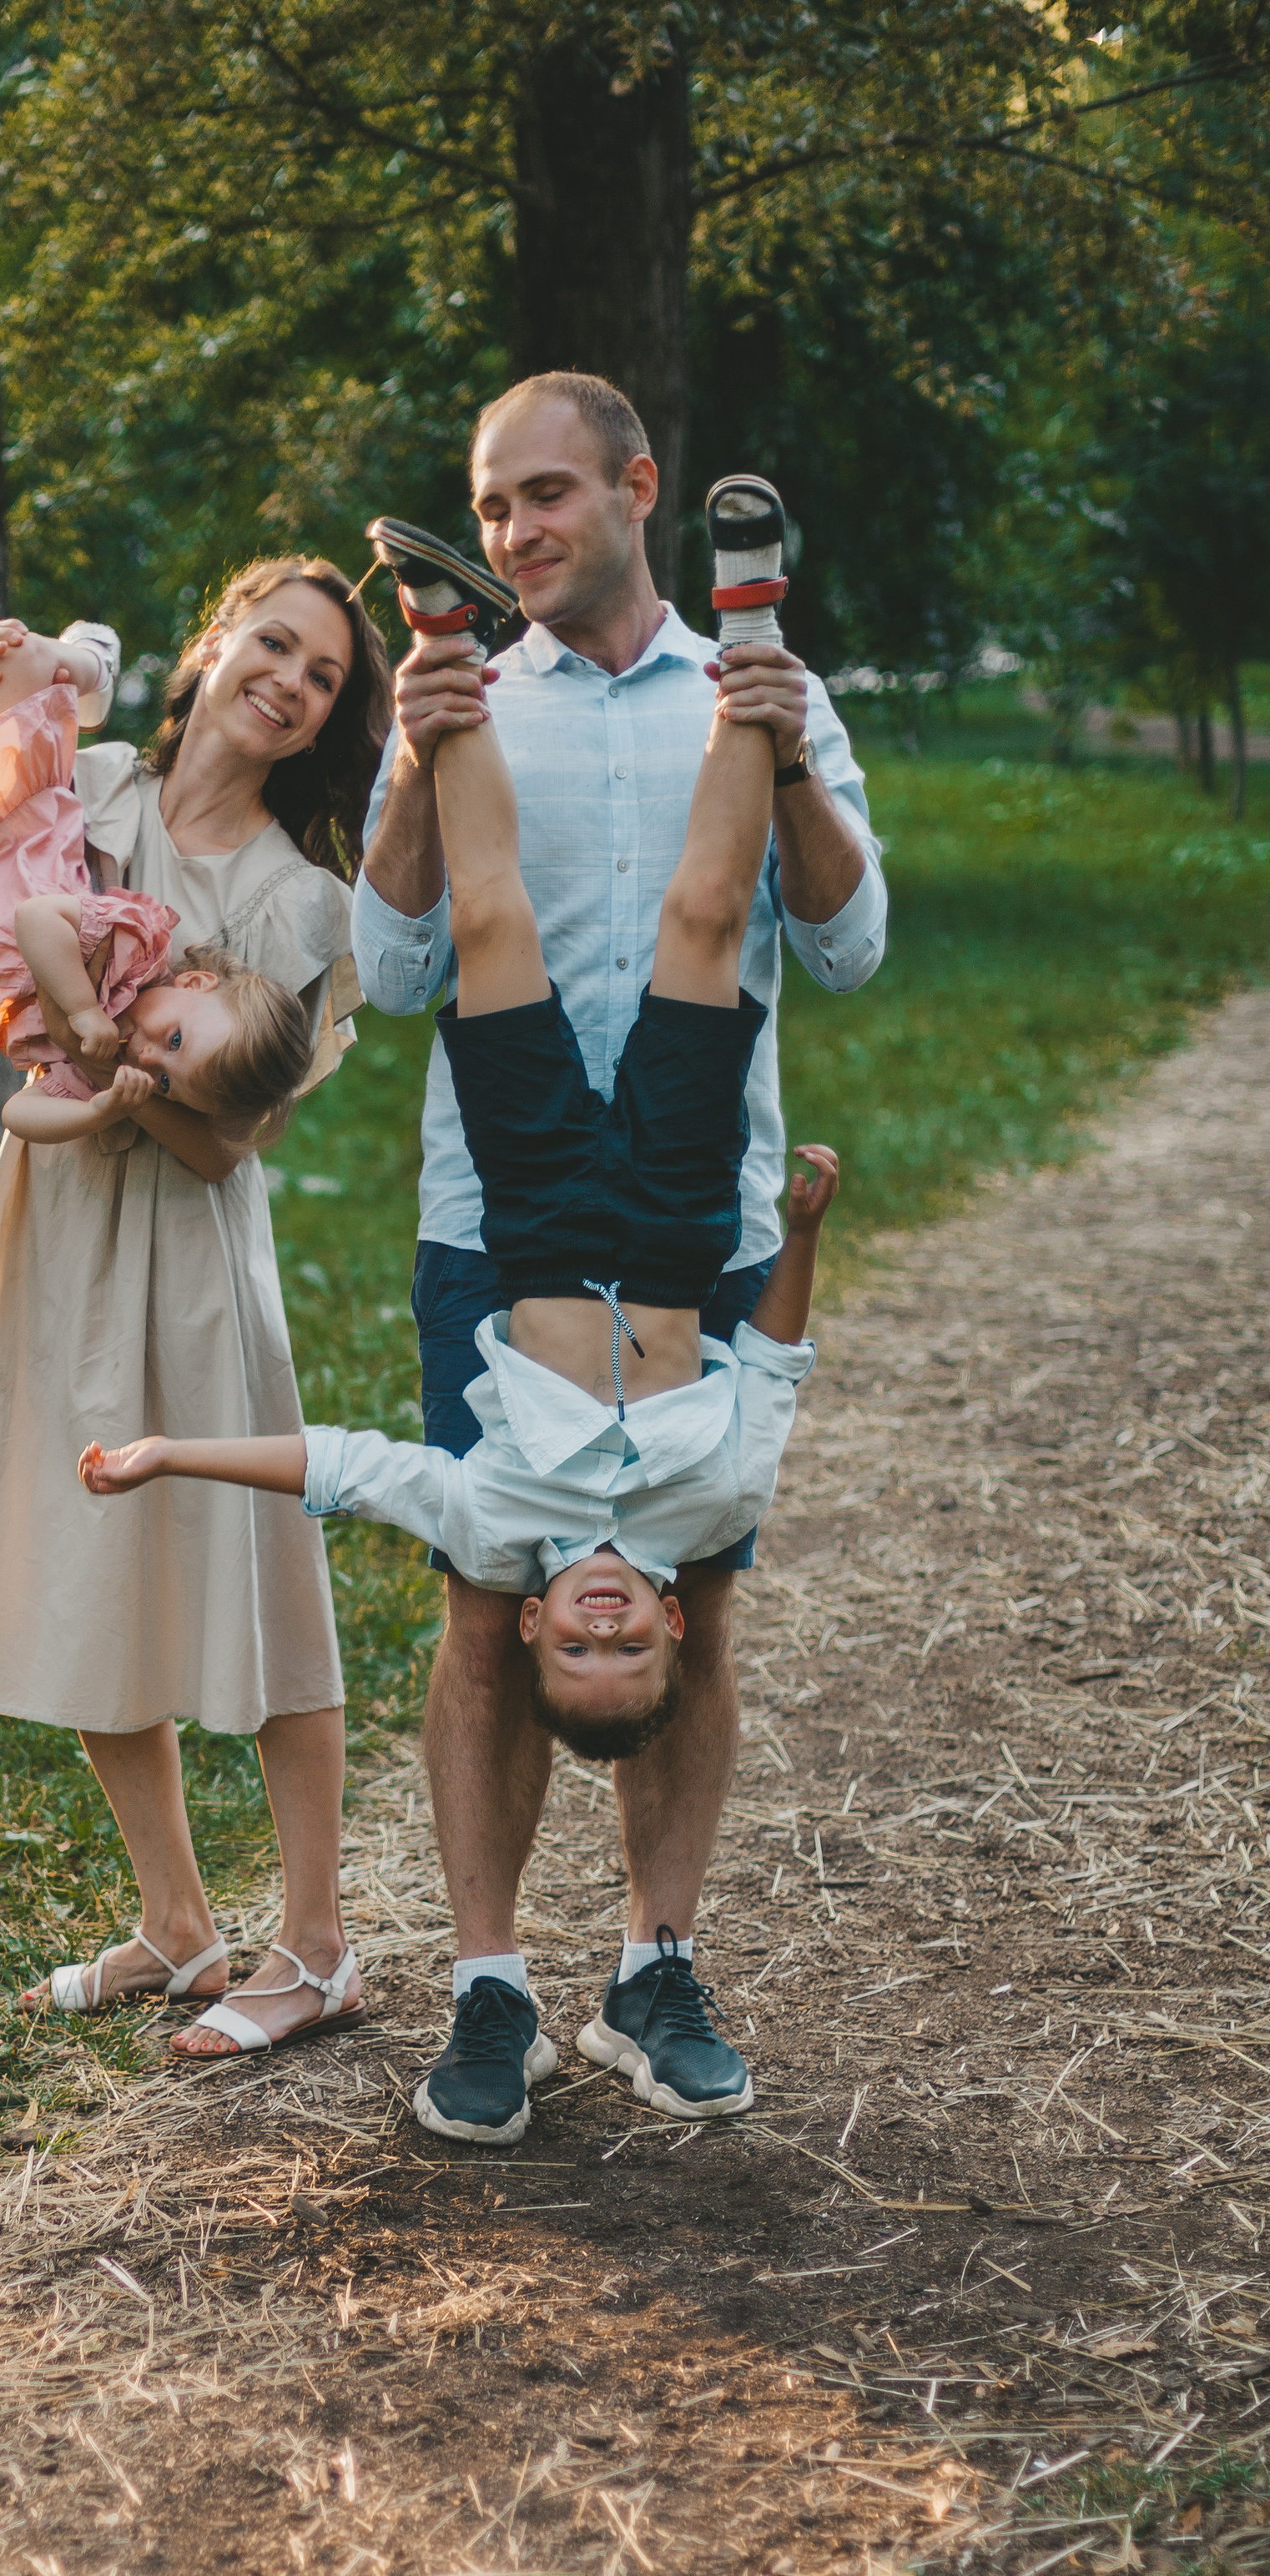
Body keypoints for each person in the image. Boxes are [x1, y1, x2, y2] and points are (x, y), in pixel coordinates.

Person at [78, 496, 840, 2130]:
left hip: (540, 1214)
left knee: (492, 927)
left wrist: (166, 1452)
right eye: (625, 1642)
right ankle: (754, 623)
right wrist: (799, 1231)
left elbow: (340, 1466)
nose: (610, 1624)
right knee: (705, 924)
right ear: (656, 1625)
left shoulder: (498, 1520)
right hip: (687, 1208)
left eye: (581, 1643)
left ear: (537, 1625)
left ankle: (435, 636)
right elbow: (772, 1357)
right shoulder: (711, 1509)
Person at [352, 371, 890, 2144]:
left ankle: (655, 1964)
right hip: (489, 1223)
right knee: (484, 1616)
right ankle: (490, 1987)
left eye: (543, 499)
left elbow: (848, 940)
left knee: (696, 1604)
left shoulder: (760, 701)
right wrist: (423, 755)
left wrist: (786, 739)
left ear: (636, 487)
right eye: (491, 508)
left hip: (693, 1218)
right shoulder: (459, 694)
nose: (516, 534)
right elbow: (394, 965)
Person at [0, 558, 394, 2055]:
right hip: (52, 1231)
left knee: (260, 1588)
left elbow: (231, 1141)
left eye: (324, 678)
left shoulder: (306, 904)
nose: (288, 681)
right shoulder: (86, 789)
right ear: (213, 643)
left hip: (194, 1259)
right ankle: (175, 1924)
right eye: (272, 645)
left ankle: (319, 1942)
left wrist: (99, 1048)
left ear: (326, 721)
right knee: (92, 1562)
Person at [0, 570, 310, 1160]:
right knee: (3, 669)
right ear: (195, 982)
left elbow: (17, 1113)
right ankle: (90, 661)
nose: (148, 1057)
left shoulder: (101, 1062)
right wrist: (85, 1010)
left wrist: (97, 1108)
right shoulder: (138, 946)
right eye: (173, 1039)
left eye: (167, 1080)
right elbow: (39, 920)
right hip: (8, 856)